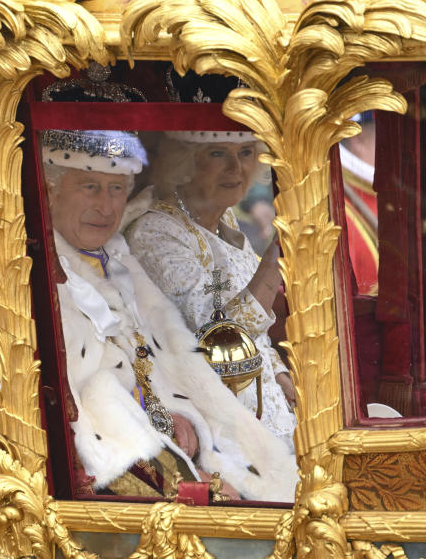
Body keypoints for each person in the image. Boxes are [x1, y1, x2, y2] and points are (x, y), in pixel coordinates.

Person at [0, 128, 297, 502]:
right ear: (50, 191)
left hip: (167, 442)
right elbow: (73, 419)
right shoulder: (16, 277)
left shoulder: (116, 260)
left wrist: (183, 416)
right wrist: (192, 474)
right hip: (104, 466)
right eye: (90, 187)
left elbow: (161, 367)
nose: (107, 207)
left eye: (117, 190)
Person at [125, 129, 298, 446]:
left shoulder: (224, 219)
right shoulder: (156, 232)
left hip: (266, 413)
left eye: (245, 153)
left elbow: (255, 332)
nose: (236, 168)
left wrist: (281, 375)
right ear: (185, 161)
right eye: (218, 153)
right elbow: (222, 336)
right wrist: (277, 256)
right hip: (217, 430)